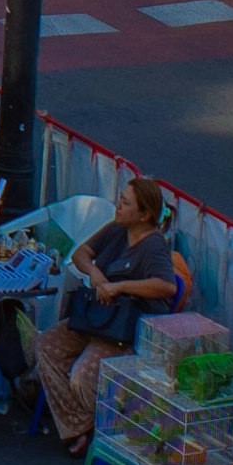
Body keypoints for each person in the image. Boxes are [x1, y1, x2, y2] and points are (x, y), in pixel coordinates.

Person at [31, 182, 189, 445]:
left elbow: (167, 285)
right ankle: (79, 424)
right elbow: (82, 253)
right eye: (120, 199)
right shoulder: (117, 229)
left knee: (83, 376)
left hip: (123, 330)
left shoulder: (153, 246)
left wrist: (120, 286)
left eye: (126, 203)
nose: (118, 205)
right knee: (45, 345)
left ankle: (96, 430)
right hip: (97, 318)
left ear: (144, 214)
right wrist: (95, 274)